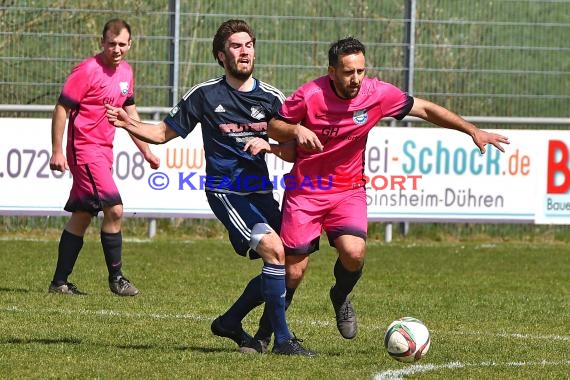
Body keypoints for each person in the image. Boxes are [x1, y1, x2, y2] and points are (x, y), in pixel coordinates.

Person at [251, 36, 510, 344]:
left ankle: (340, 295)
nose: (356, 79)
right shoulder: (310, 94)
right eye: (348, 72)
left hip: (348, 190)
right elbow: (274, 126)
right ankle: (263, 336)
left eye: (360, 70)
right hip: (305, 190)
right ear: (331, 71)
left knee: (354, 252)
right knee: (293, 272)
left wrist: (472, 130)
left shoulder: (377, 93)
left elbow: (425, 110)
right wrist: (296, 129)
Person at [105, 19, 315, 356]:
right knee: (275, 250)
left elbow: (290, 151)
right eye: (236, 46)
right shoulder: (205, 95)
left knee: (294, 262)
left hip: (260, 191)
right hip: (226, 190)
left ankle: (231, 322)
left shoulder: (273, 98)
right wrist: (127, 123)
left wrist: (281, 143)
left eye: (248, 45)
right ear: (221, 55)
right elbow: (161, 134)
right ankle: (283, 341)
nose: (244, 51)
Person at [48, 19, 160, 297]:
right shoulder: (87, 70)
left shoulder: (126, 73)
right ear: (102, 42)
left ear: (130, 44)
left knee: (83, 215)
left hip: (104, 151)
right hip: (84, 151)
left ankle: (59, 282)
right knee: (115, 208)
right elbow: (62, 108)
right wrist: (57, 150)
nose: (117, 49)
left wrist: (146, 150)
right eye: (112, 43)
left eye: (122, 44)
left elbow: (129, 116)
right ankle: (117, 278)